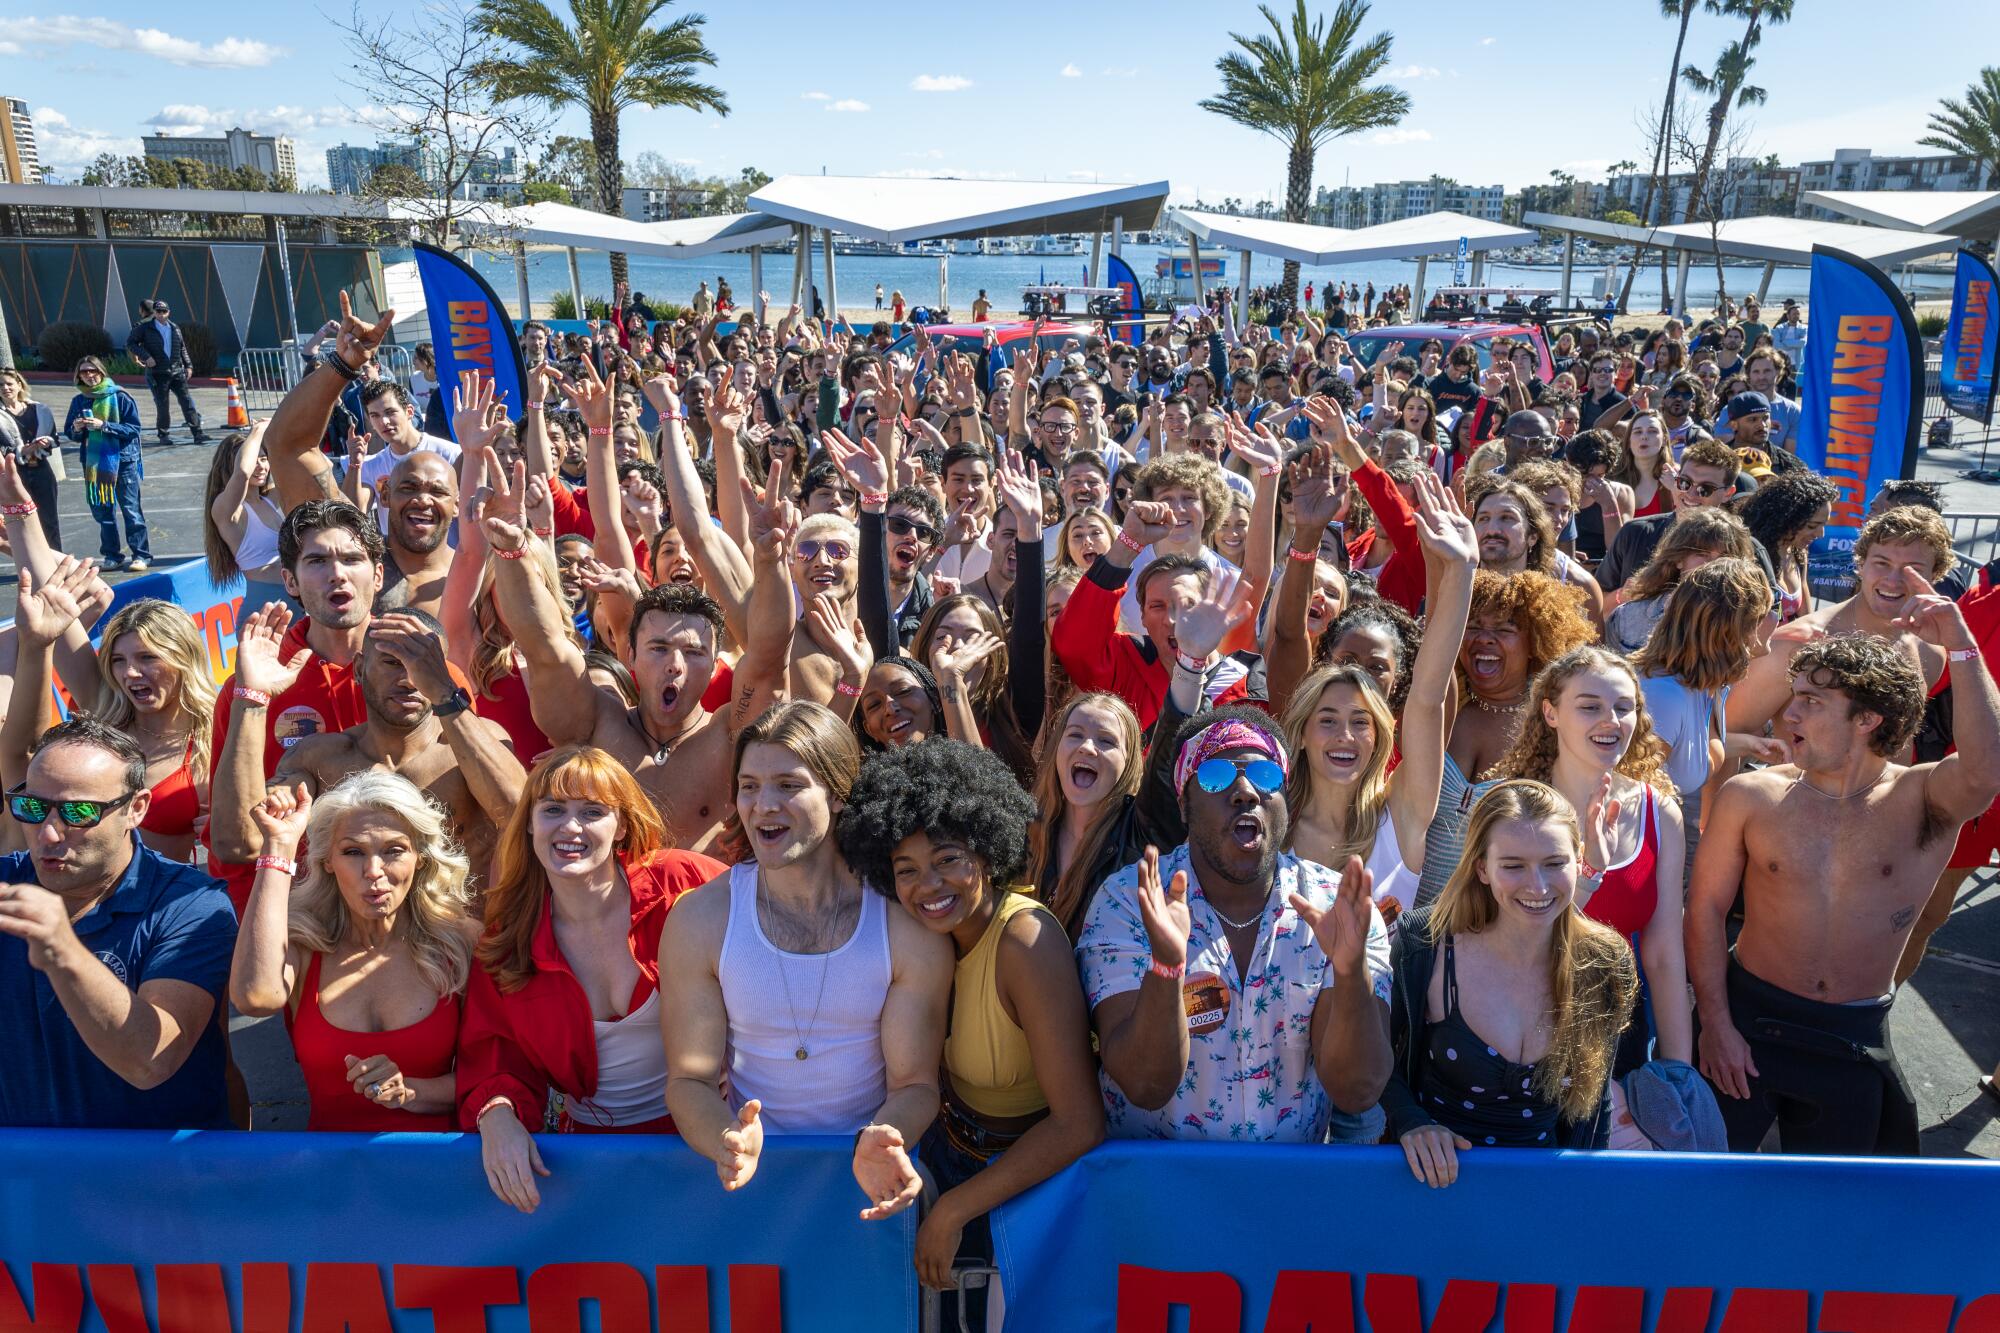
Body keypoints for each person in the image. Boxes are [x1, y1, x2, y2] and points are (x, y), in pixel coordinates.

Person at [1689, 601, 2000, 1155]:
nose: (1789, 715)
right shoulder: (1752, 796)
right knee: (1705, 1197)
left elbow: (1986, 769)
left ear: (1867, 718)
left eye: (1811, 701)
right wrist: (1714, 1024)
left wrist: (1960, 642)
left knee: (1846, 1218)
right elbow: (1706, 911)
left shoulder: (1922, 799)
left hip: (1853, 1040)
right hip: (1748, 1021)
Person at [662, 702, 952, 1217]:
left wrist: (883, 1140)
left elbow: (915, 1085)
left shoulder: (903, 923)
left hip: (873, 1183)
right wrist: (725, 1140)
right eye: (749, 786)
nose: (763, 805)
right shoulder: (701, 918)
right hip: (751, 1188)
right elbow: (689, 1081)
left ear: (839, 795)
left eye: (788, 785)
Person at [836, 740, 1103, 1292]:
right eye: (905, 870)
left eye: (947, 859)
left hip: (1028, 1178)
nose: (927, 886)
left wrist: (954, 1210)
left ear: (984, 850)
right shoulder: (919, 934)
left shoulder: (1025, 941)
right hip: (940, 1155)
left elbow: (1079, 1122)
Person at [1078, 707, 1394, 1141]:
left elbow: (1357, 1089)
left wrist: (1350, 971)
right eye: (1215, 776)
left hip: (1282, 1192)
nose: (1245, 790)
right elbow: (1145, 1085)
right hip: (1159, 1190)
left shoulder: (1337, 908)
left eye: (1266, 776)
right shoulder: (1128, 904)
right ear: (1184, 806)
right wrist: (1168, 965)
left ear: (1287, 802)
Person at [483, 426, 794, 854]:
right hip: (606, 912)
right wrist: (513, 552)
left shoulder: (731, 734)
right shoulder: (597, 722)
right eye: (659, 648)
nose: (675, 664)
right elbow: (545, 646)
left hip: (705, 913)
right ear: (629, 652)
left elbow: (769, 658)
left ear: (717, 659)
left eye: (693, 652)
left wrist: (771, 561)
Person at [460, 747, 726, 1211]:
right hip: (589, 1159)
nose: (570, 827)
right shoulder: (510, 940)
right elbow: (495, 1057)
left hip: (711, 1140)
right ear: (529, 823)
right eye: (553, 811)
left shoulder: (683, 881)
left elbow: (769, 947)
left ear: (621, 825)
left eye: (592, 812)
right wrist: (496, 1115)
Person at [0, 676, 235, 1128]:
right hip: (27, 1177)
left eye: (78, 813)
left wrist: (61, 949)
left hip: (153, 1180)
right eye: (33, 809)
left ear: (136, 808)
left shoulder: (191, 907)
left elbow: (150, 1061)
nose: (48, 834)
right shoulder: (8, 881)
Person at [1382, 781, 1640, 1185]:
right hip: (1431, 1187)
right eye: (1513, 865)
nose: (1536, 886)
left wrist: (1587, 1200)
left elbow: (1595, 1105)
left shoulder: (1604, 963)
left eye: (1555, 863)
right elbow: (1377, 1058)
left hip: (1544, 1197)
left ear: (1579, 862)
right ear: (1482, 868)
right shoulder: (1425, 946)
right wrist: (1411, 1121)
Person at [1281, 468, 1479, 948]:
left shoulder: (1402, 816)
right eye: (1327, 720)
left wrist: (1462, 569)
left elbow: (1429, 696)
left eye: (1360, 722)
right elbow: (1287, 639)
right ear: (1302, 731)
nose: (1344, 735)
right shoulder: (1271, 817)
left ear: (1384, 734)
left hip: (1378, 1022)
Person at [229, 772, 477, 1130]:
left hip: (438, 1169)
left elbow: (499, 1076)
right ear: (327, 861)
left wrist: (410, 1092)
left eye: (394, 850)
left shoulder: (460, 942)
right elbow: (255, 997)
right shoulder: (303, 943)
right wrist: (278, 848)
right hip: (329, 1173)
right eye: (353, 852)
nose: (374, 871)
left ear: (420, 857)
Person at [1485, 648, 1691, 1071]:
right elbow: (1490, 940)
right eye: (1589, 706)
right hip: (1511, 1027)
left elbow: (1664, 955)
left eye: (1623, 707)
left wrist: (1678, 1072)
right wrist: (1589, 871)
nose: (1610, 721)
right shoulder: (1507, 807)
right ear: (1551, 713)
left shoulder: (1660, 812)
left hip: (1614, 1033)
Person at [213, 607, 527, 882]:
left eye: (423, 664)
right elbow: (241, 844)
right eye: (392, 662)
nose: (408, 679)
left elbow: (519, 818)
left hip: (461, 942)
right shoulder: (320, 760)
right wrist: (251, 698)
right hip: (357, 945)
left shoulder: (475, 746)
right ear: (360, 669)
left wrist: (445, 693)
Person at [1419, 570, 1596, 904]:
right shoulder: (1443, 707)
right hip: (1413, 925)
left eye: (1504, 629)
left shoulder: (1554, 726)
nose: (1485, 638)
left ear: (1536, 643)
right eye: (1473, 627)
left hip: (1497, 929)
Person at [88, 600, 218, 865]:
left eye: (147, 657)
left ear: (184, 657)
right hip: (86, 897)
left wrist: (236, 825)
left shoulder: (216, 736)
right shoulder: (106, 723)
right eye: (118, 661)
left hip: (162, 902)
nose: (130, 673)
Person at [1602, 508, 1758, 655]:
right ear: (1678, 559)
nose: (1713, 565)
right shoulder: (1627, 618)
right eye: (1702, 554)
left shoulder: (1748, 623)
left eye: (1725, 556)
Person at [66, 356, 150, 572]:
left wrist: (104, 425)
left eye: (93, 371)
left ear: (101, 372)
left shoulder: (120, 396)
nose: (89, 375)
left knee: (131, 510)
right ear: (79, 375)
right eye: (84, 372)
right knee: (104, 513)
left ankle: (141, 555)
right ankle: (113, 556)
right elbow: (71, 434)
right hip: (94, 464)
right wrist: (77, 428)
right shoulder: (79, 400)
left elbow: (134, 429)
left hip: (123, 462)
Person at [204, 420, 289, 612]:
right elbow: (242, 472)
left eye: (264, 458)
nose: (260, 466)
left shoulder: (269, 500)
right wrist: (258, 430)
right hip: (264, 606)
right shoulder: (227, 510)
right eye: (255, 459)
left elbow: (294, 467)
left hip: (294, 599)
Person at [124, 298, 209, 446]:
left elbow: (182, 348)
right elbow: (131, 343)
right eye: (158, 311)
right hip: (158, 373)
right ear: (154, 312)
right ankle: (163, 435)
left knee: (187, 402)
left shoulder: (175, 328)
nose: (161, 314)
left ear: (168, 312)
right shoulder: (145, 328)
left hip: (176, 371)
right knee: (163, 405)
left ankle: (198, 433)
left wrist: (188, 366)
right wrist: (146, 357)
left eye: (164, 311)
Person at [0, 368, 61, 546]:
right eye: (0, 385)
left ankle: (56, 562)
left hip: (41, 469)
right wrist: (20, 451)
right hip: (15, 474)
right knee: (23, 523)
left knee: (49, 520)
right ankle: (31, 564)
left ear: (19, 385)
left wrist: (44, 443)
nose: (5, 388)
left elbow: (55, 440)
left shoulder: (40, 410)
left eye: (9, 384)